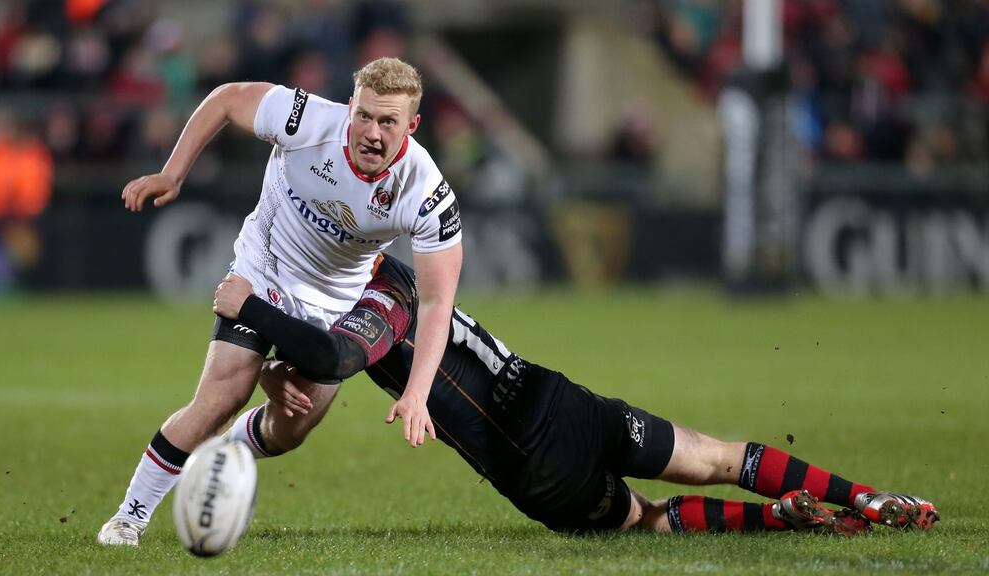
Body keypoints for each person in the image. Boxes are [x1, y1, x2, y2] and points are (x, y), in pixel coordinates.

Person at [212, 254, 939, 536]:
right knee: (720, 455)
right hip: (566, 400)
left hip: (534, 466)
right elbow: (319, 364)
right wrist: (279, 375)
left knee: (650, 523)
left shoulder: (376, 298)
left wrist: (251, 309)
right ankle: (868, 497)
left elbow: (335, 353)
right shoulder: (401, 271)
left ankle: (783, 524)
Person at [99, 58, 464, 546]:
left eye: (388, 122)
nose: (371, 133)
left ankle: (222, 456)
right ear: (350, 107)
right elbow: (227, 98)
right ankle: (129, 517)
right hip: (262, 274)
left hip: (336, 304)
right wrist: (173, 173)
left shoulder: (424, 191)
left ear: (412, 125)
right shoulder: (306, 120)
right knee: (220, 399)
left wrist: (417, 393)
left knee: (291, 429)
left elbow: (438, 301)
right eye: (364, 116)